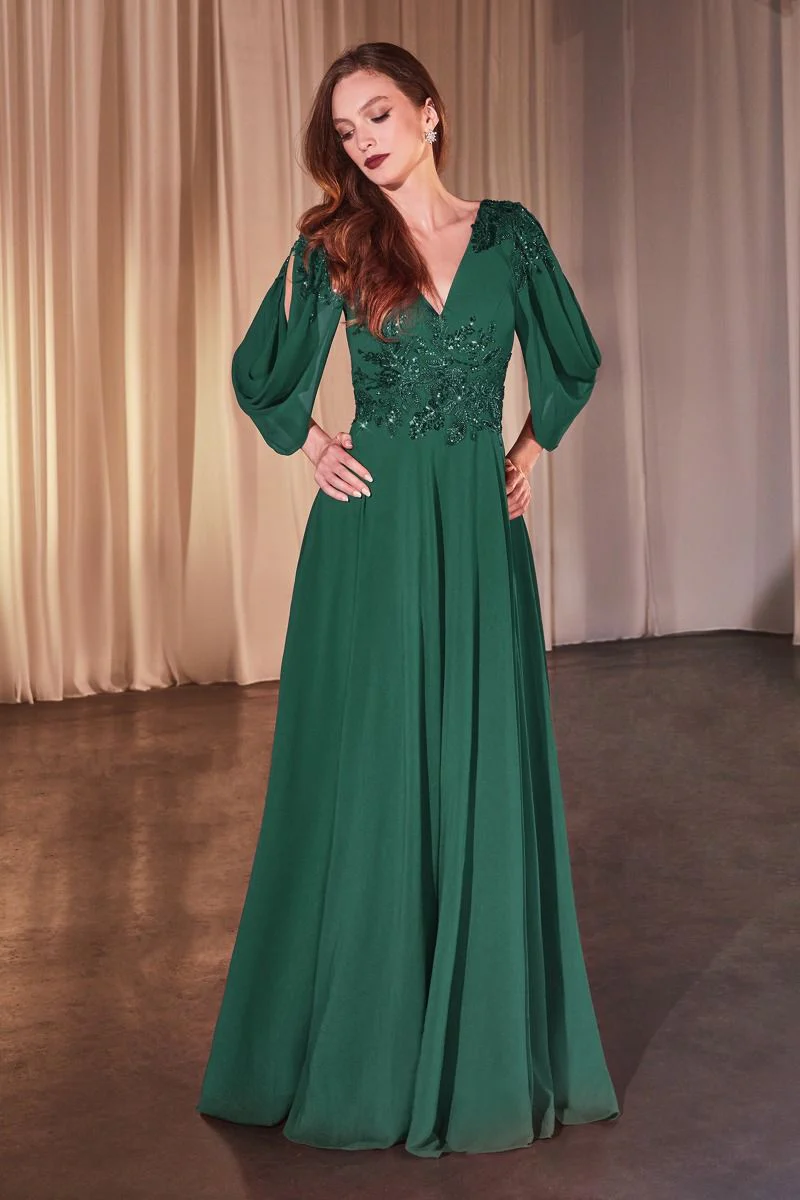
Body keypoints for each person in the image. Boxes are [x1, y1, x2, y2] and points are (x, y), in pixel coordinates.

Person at [197, 40, 619, 1158]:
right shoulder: (335, 246)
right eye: (346, 131)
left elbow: (571, 359)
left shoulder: (509, 235)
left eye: (378, 115)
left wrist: (528, 450)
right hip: (372, 538)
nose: (365, 142)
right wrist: (310, 444)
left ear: (429, 113)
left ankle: (473, 1039)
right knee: (375, 771)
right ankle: (364, 1043)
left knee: (476, 763)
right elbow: (258, 373)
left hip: (477, 537)